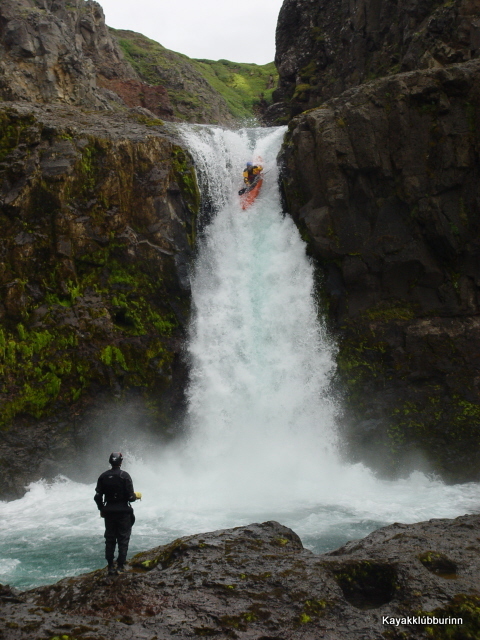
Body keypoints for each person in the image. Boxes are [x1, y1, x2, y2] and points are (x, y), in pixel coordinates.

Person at [94, 452, 141, 575]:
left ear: (110, 462)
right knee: (123, 538)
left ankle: (110, 566)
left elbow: (97, 496)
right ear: (121, 462)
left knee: (110, 538)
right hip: (123, 512)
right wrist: (136, 497)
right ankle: (120, 566)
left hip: (108, 512)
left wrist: (102, 509)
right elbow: (130, 497)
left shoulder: (103, 476)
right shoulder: (124, 476)